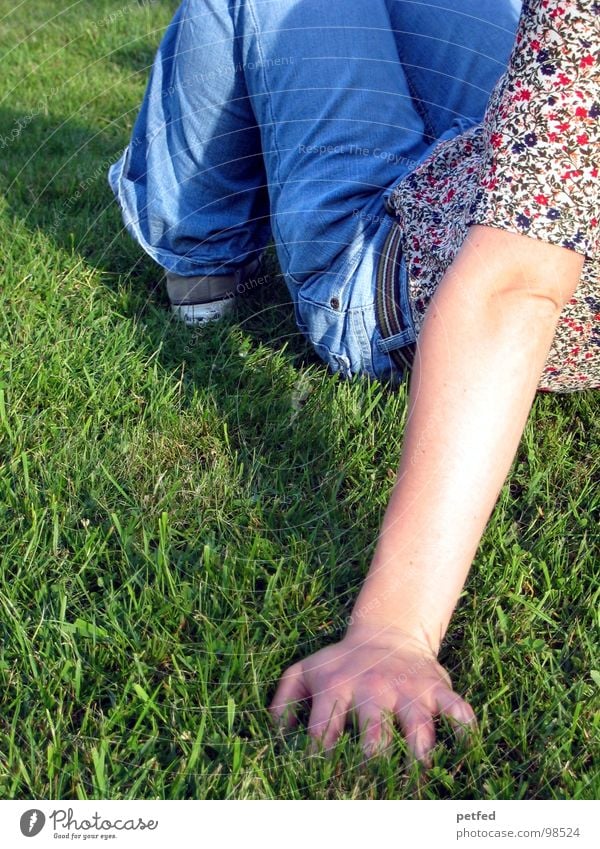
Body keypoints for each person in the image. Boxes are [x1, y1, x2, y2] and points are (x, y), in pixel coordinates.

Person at [108, 0, 598, 765]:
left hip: (385, 278)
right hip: (490, 192)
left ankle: (197, 253)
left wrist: (395, 628)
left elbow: (516, 288)